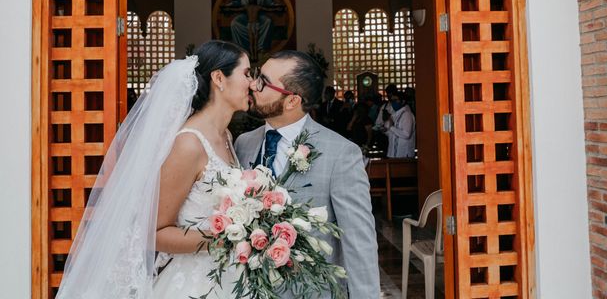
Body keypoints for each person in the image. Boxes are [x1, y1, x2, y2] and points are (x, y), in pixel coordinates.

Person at [56, 40, 252, 299]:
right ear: (219, 78)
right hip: (194, 284)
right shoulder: (189, 144)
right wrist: (225, 238)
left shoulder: (225, 135)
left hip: (230, 276)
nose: (252, 82)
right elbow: (155, 233)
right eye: (247, 73)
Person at [235, 51, 380, 298]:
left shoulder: (341, 154)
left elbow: (359, 242)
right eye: (256, 76)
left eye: (263, 81)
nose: (253, 85)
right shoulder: (243, 143)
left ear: (292, 101)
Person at [382, 90, 416, 158]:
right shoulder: (395, 114)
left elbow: (406, 134)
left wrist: (391, 127)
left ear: (403, 101)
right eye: (392, 100)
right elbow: (393, 133)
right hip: (394, 152)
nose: (393, 103)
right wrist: (386, 130)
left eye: (395, 100)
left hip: (403, 153)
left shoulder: (407, 114)